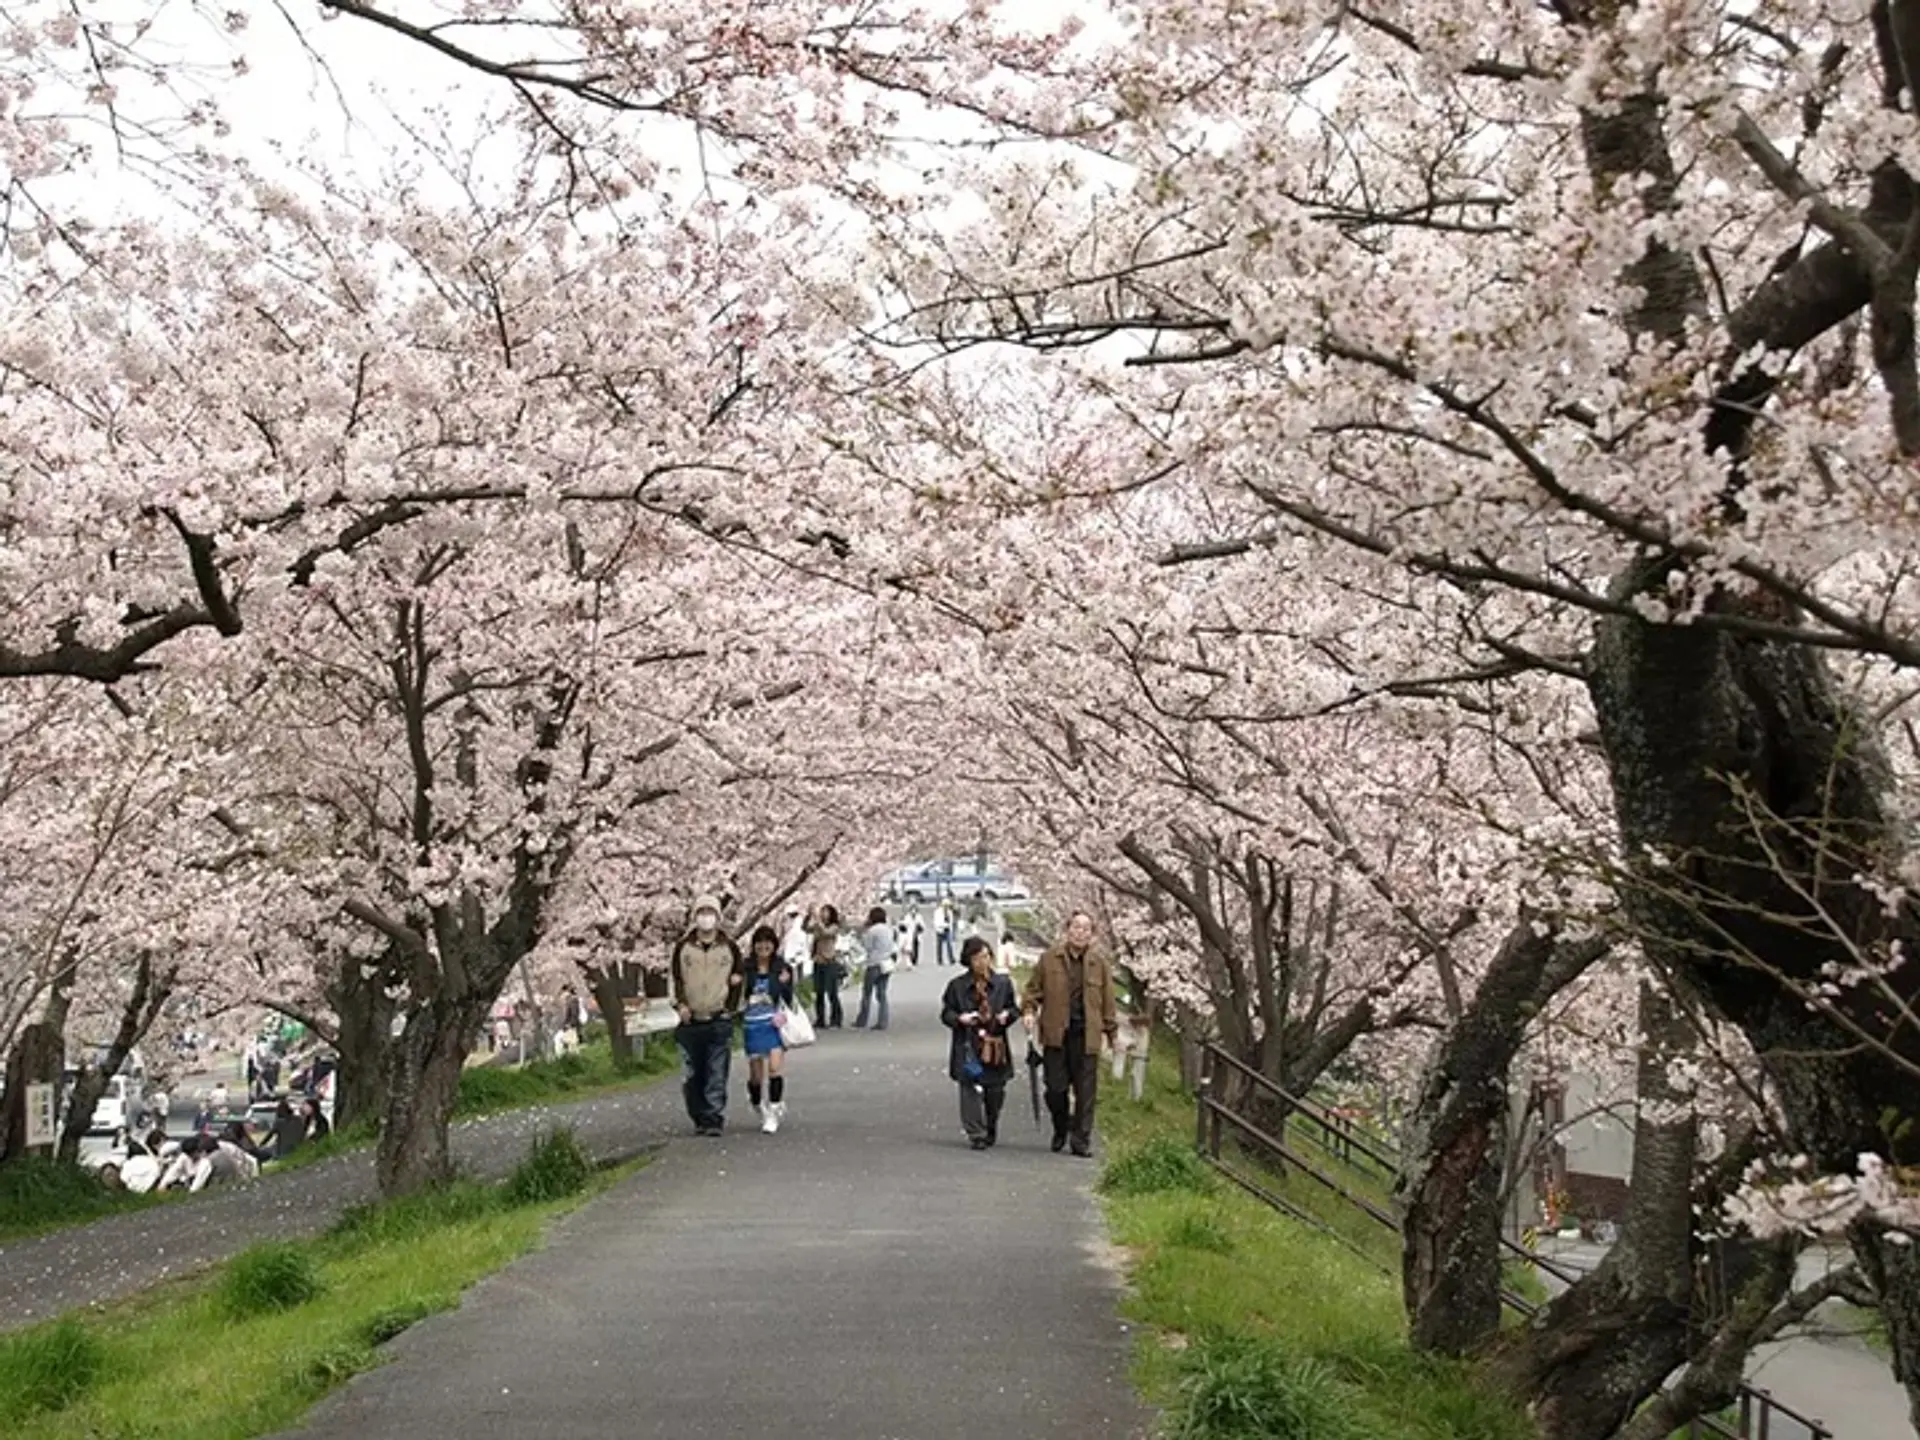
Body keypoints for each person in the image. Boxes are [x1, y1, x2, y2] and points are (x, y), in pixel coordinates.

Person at [1022, 911, 1118, 1158]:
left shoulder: (1100, 965)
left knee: (1086, 1093)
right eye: (1076, 927)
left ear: (1093, 935)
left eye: (1086, 929)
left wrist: (1112, 1033)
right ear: (1067, 930)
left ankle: (1081, 1141)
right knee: (1055, 1088)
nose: (1081, 932)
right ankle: (1061, 1126)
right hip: (1057, 1034)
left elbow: (1108, 1003)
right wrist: (1029, 1011)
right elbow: (1033, 991)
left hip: (1087, 1035)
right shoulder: (1049, 959)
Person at [671, 894, 745, 1136]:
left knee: (716, 1070)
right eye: (701, 913)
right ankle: (698, 1115)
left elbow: (739, 978)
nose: (706, 918)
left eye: (710, 913)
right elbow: (676, 979)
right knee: (693, 1074)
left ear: (717, 917)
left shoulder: (729, 947)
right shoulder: (683, 947)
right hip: (690, 1018)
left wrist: (730, 1008)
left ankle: (713, 1117)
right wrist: (680, 1005)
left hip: (718, 1016)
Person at [942, 938, 1021, 1150]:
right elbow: (946, 1013)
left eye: (986, 957)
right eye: (977, 958)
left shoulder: (1002, 984)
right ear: (969, 960)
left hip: (995, 1045)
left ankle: (991, 1123)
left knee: (995, 1091)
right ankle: (976, 1133)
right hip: (968, 1044)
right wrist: (960, 1019)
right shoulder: (957, 986)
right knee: (969, 1088)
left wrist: (1007, 1016)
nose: (982, 962)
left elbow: (1014, 1009)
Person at [739, 925, 797, 1133]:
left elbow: (789, 999)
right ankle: (758, 1104)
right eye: (759, 942)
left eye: (768, 942)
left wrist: (785, 984)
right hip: (752, 1024)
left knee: (774, 1068)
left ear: (774, 945)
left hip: (773, 1024)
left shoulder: (782, 968)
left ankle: (773, 1111)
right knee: (756, 1075)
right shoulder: (745, 968)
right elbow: (737, 994)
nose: (764, 946)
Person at [854, 906, 897, 1030]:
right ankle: (883, 1021)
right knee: (882, 994)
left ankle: (862, 1020)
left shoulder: (872, 931)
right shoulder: (889, 929)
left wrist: (863, 930)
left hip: (874, 963)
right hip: (886, 963)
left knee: (867, 993)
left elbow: (867, 946)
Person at [805, 904, 845, 1030]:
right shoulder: (818, 926)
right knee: (819, 992)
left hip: (829, 962)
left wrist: (817, 921)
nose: (823, 914)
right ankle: (820, 1019)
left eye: (825, 912)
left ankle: (836, 1019)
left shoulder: (834, 927)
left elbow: (826, 933)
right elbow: (806, 929)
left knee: (832, 992)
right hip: (818, 961)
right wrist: (808, 916)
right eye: (822, 911)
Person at [936, 897, 957, 966]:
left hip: (947, 930)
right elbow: (937, 922)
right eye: (945, 905)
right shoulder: (938, 912)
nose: (946, 907)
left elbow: (951, 922)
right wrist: (945, 925)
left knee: (949, 945)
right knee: (939, 946)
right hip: (940, 930)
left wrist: (950, 929)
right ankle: (940, 960)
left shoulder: (949, 912)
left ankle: (951, 959)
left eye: (947, 906)